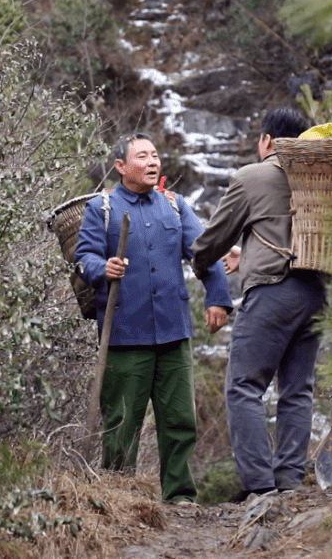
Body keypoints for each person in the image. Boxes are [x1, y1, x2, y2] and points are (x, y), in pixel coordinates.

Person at [75, 132, 232, 504]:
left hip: (173, 331)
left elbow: (204, 253)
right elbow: (83, 257)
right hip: (124, 333)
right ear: (120, 166)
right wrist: (104, 267)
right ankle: (118, 495)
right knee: (121, 422)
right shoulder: (103, 208)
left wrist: (218, 299)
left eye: (155, 155)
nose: (152, 161)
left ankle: (179, 496)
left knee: (180, 420)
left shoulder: (175, 208)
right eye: (142, 156)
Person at [191, 107, 328, 503]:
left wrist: (201, 261)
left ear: (268, 141)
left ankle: (258, 485)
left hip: (272, 291)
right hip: (315, 293)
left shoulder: (253, 176)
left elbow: (214, 237)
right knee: (297, 390)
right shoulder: (316, 181)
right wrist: (245, 255)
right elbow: (280, 231)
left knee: (243, 387)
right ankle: (287, 481)